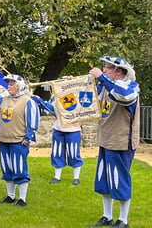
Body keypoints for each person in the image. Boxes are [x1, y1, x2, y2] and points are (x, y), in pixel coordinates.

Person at [87, 56, 139, 228]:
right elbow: (89, 99)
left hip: (122, 142)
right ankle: (107, 216)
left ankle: (123, 220)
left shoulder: (131, 87)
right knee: (105, 181)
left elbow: (123, 96)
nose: (104, 70)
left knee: (120, 181)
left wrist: (101, 76)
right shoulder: (106, 86)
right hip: (106, 140)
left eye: (108, 67)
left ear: (119, 71)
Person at [0, 74, 39, 207]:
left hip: (18, 140)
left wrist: (28, 137)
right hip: (4, 139)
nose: (8, 86)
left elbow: (32, 121)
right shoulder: (4, 99)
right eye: (8, 84)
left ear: (19, 86)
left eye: (11, 84)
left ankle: (22, 198)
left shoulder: (28, 101)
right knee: (7, 168)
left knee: (19, 168)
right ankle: (10, 196)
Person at [32, 85, 84, 186]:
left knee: (73, 153)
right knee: (57, 152)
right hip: (59, 129)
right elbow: (51, 109)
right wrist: (39, 100)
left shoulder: (77, 96)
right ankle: (57, 177)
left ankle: (76, 178)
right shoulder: (55, 97)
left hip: (73, 129)